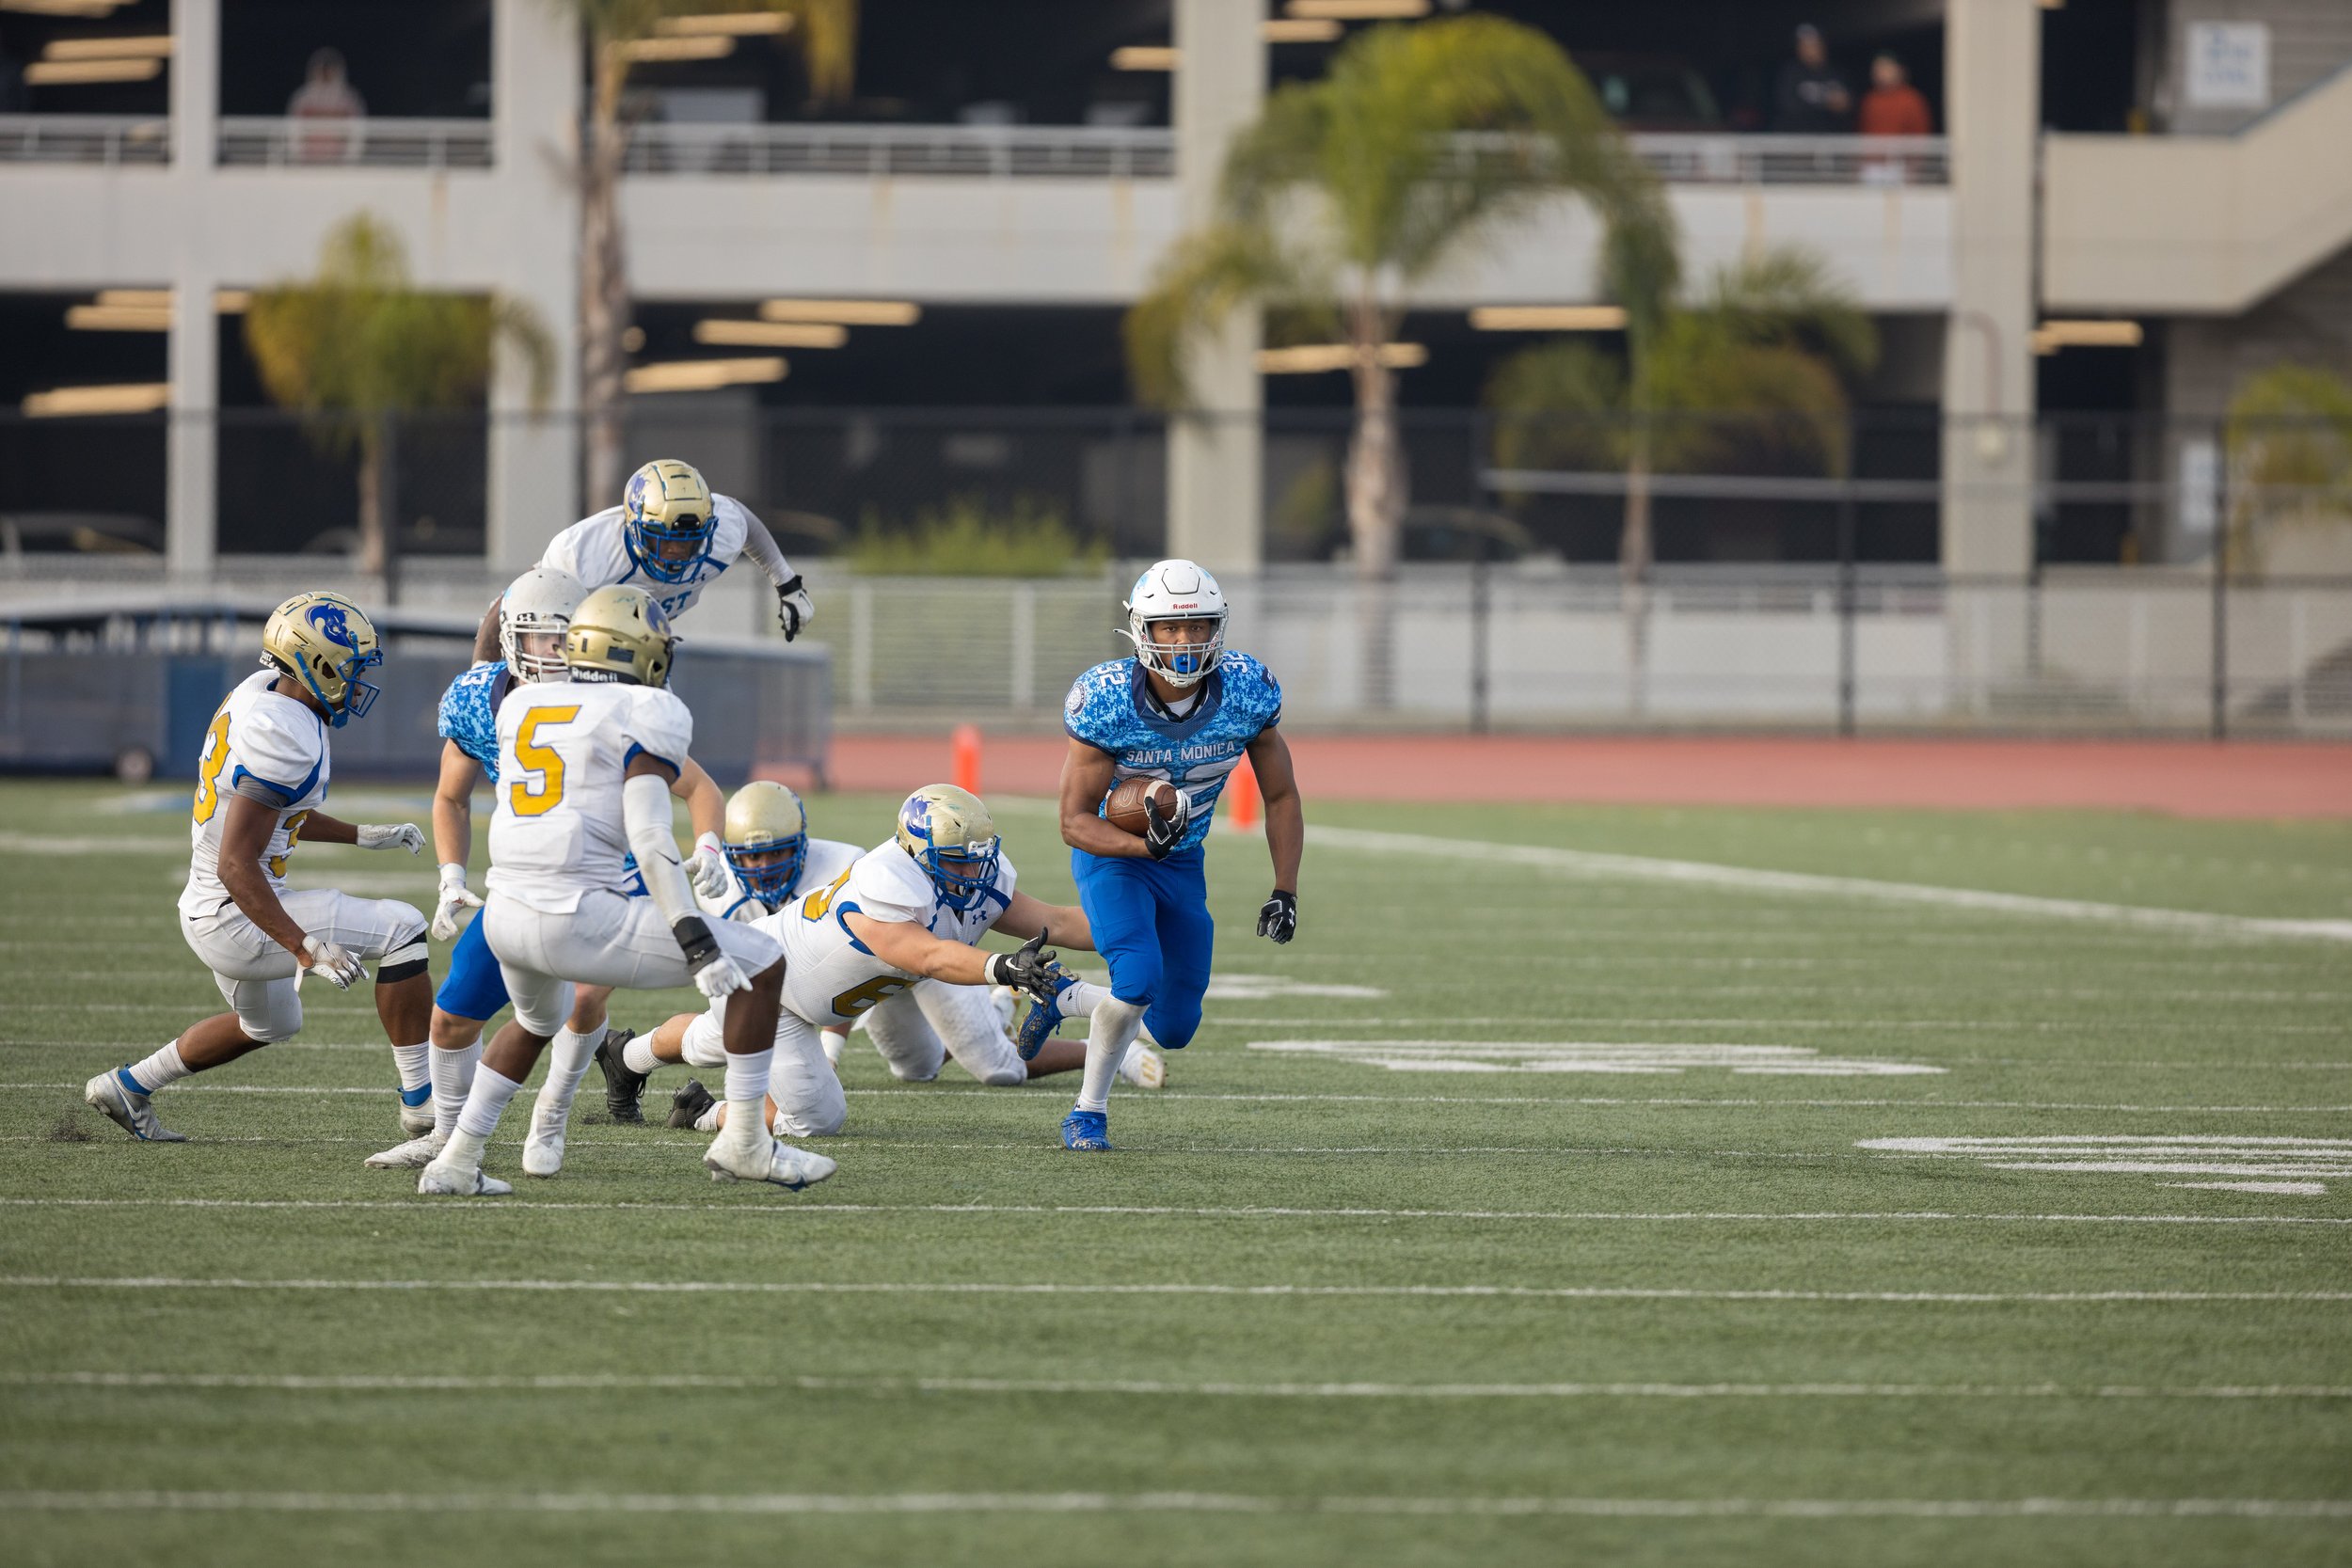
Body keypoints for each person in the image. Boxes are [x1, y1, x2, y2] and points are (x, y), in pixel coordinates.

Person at [417, 585, 830, 1196]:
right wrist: (692, 934)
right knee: (764, 964)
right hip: (578, 912)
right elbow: (649, 831)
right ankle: (745, 1140)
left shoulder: (517, 705)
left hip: (506, 911)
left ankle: (455, 1160)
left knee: (537, 1021)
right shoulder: (643, 711)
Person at [364, 567, 735, 1172]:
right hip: (523, 883)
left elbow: (698, 788)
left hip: (610, 876)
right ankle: (447, 1139)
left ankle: (553, 1111)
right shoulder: (479, 700)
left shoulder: (615, 698)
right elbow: (450, 795)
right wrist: (451, 875)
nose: (552, 654)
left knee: (584, 1002)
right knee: (453, 1016)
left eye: (564, 639)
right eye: (538, 638)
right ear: (511, 639)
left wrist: (711, 845)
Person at [86, 593, 434, 1142]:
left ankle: (128, 1086)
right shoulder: (284, 734)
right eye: (351, 668)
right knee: (405, 928)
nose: (360, 681)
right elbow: (236, 861)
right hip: (236, 911)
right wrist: (303, 946)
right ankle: (422, 1107)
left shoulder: (264, 692)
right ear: (315, 665)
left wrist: (360, 836)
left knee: (275, 1023)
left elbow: (275, 812)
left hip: (210, 906)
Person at [1018, 560, 1304, 1151]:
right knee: (1139, 974)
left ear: (1216, 627)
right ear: (1141, 629)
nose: (1183, 640)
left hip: (1182, 862)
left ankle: (1064, 995)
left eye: (1196, 626)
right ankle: (1087, 1113)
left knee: (1174, 1027)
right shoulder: (1106, 699)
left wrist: (1285, 888)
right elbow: (1073, 822)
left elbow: (1280, 794)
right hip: (1114, 857)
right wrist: (1140, 844)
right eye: (1169, 628)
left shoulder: (1247, 690)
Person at [610, 786, 1083, 1139]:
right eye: (957, 860)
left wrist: (1143, 930)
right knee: (817, 1118)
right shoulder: (884, 881)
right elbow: (926, 955)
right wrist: (1002, 967)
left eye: (978, 858)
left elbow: (1055, 921)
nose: (972, 871)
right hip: (768, 986)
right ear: (917, 853)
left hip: (812, 987)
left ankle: (626, 1057)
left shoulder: (976, 875)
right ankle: (702, 1113)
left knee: (709, 1040)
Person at [470, 458, 814, 661]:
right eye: (664, 543)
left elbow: (745, 522)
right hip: (574, 652)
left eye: (690, 543)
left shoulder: (725, 530)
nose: (677, 555)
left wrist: (787, 584)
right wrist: (482, 677)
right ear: (633, 526)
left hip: (641, 649)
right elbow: (518, 600)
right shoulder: (584, 553)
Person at [288, 48, 364, 163]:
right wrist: (298, 157)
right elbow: (294, 130)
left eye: (329, 69)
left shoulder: (349, 99)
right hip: (308, 161)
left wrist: (350, 159)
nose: (326, 73)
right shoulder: (303, 98)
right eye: (322, 69)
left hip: (338, 162)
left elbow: (357, 131)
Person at [1772, 24, 1851, 134]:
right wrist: (1825, 104)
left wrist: (1842, 105)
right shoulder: (1790, 73)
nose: (1810, 49)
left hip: (1829, 138)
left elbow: (1848, 106)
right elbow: (1788, 106)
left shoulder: (1835, 73)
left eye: (1814, 44)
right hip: (1798, 138)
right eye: (1805, 45)